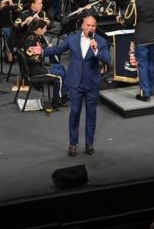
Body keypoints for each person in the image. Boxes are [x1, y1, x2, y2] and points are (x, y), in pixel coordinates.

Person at [35, 16, 110, 156]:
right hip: (75, 83)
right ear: (82, 25)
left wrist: (96, 50)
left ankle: (89, 143)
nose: (90, 28)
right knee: (74, 113)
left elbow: (107, 59)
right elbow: (58, 49)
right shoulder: (72, 39)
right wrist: (43, 51)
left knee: (91, 115)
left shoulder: (101, 41)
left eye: (93, 26)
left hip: (91, 84)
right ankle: (73, 144)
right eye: (88, 25)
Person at [120, 0, 154, 102]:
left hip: (142, 39)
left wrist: (120, 19)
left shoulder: (135, 3)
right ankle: (151, 90)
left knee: (143, 65)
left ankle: (145, 93)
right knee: (153, 65)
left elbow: (128, 21)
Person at [22, 18, 67, 110]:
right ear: (38, 29)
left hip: (37, 66)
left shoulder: (34, 36)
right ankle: (56, 101)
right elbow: (31, 58)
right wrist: (43, 53)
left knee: (61, 67)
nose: (46, 31)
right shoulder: (31, 39)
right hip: (35, 69)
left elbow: (37, 49)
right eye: (44, 29)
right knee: (60, 75)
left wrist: (44, 49)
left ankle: (62, 95)